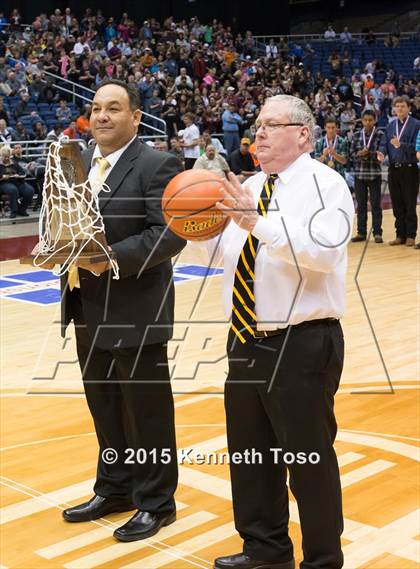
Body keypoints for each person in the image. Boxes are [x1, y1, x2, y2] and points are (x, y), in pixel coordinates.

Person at [193, 94, 354, 569]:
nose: (257, 134)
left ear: (302, 134)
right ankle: (265, 550)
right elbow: (224, 260)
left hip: (301, 342)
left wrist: (256, 223)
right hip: (243, 338)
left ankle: (323, 560)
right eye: (256, 125)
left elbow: (323, 255)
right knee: (250, 457)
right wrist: (198, 230)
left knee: (308, 462)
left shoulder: (327, 185)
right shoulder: (251, 186)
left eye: (269, 125)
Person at [59, 79, 186, 542]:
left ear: (135, 117)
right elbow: (67, 228)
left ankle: (156, 501)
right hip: (85, 305)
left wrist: (108, 257)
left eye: (114, 108)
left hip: (136, 307)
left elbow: (171, 234)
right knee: (106, 406)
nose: (102, 117)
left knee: (146, 411)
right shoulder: (75, 166)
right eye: (95, 109)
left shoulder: (157, 164)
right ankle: (114, 487)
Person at [378, 96, 420, 246]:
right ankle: (399, 234)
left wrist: (400, 144)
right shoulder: (390, 126)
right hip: (393, 169)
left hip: (409, 168)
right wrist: (382, 153)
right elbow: (384, 144)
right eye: (397, 106)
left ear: (409, 108)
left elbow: (417, 148)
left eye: (403, 106)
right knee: (397, 203)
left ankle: (410, 235)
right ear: (394, 109)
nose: (400, 109)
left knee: (409, 203)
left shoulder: (416, 125)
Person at [350, 110, 385, 243]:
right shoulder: (356, 135)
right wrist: (359, 154)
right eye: (365, 120)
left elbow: (381, 155)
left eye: (370, 120)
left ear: (375, 120)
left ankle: (377, 233)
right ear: (362, 121)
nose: (368, 122)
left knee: (376, 204)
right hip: (359, 174)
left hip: (374, 174)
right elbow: (351, 155)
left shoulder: (380, 134)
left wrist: (368, 154)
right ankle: (361, 232)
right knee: (361, 205)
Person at [0, 145, 34, 218]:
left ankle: (22, 209)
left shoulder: (14, 163)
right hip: (4, 183)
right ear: (1, 156)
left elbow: (23, 174)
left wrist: (18, 175)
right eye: (5, 156)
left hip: (17, 181)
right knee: (13, 190)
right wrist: (2, 177)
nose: (6, 158)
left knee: (29, 190)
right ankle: (14, 211)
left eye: (8, 156)